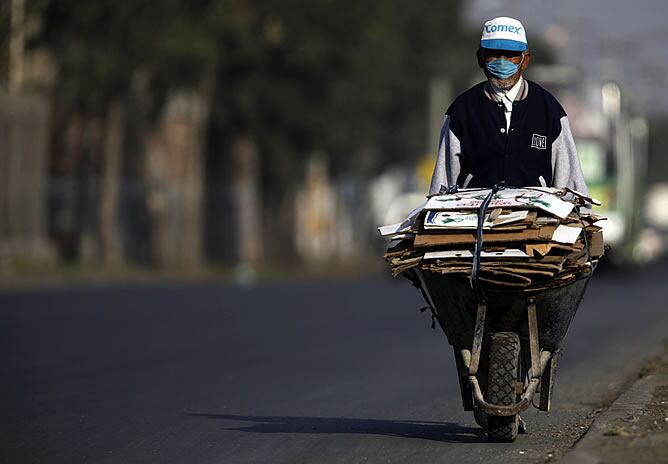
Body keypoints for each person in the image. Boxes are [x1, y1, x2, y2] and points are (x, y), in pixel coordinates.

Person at [429, 16, 589, 197]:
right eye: (494, 54)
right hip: (475, 221)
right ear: (480, 58)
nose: (501, 61)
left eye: (510, 55)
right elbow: (442, 185)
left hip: (535, 222)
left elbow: (571, 186)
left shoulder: (549, 111)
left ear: (525, 60)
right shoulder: (462, 111)